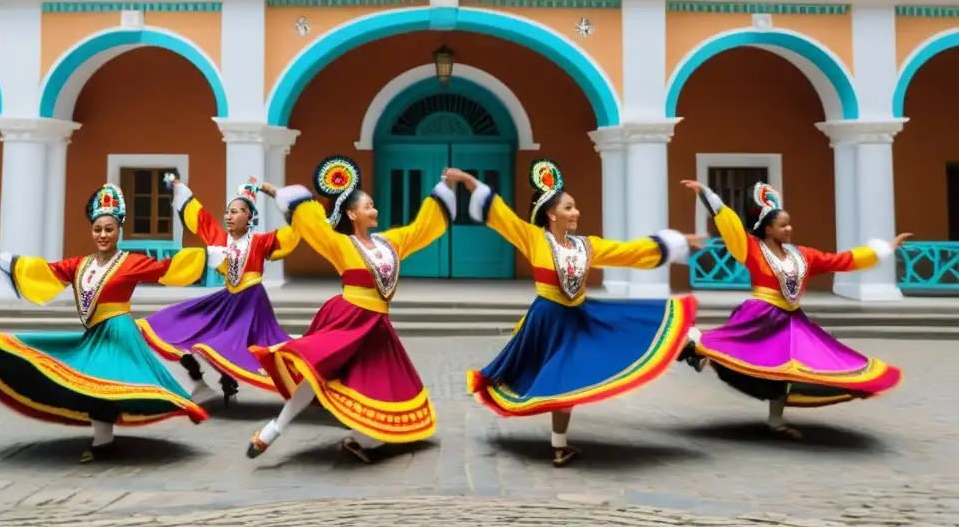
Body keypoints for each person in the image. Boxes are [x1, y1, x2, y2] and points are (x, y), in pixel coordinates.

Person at [448, 160, 703, 467]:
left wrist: (674, 244)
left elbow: (629, 251)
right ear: (551, 214)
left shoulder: (587, 246)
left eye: (575, 207)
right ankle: (559, 445)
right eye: (568, 208)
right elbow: (501, 215)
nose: (576, 213)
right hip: (547, 320)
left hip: (578, 317)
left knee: (619, 336)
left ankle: (683, 347)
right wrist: (469, 181)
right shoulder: (533, 238)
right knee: (554, 376)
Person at [0, 183, 221, 463]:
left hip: (118, 332)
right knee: (91, 383)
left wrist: (209, 257)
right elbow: (46, 271)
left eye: (109, 229)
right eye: (98, 230)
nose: (103, 235)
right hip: (94, 333)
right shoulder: (79, 265)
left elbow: (167, 268)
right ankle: (104, 439)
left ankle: (103, 441)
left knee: (103, 382)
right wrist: (3, 259)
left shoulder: (131, 262)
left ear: (119, 231)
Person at [246, 156, 456, 464]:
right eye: (368, 206)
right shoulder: (340, 244)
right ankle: (273, 430)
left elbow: (421, 228)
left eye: (373, 205)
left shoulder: (390, 243)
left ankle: (362, 438)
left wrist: (443, 190)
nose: (375, 210)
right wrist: (279, 193)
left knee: (372, 383)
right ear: (351, 213)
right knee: (315, 373)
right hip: (348, 318)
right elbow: (310, 221)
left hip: (376, 326)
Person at [679, 179, 907, 439]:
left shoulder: (804, 255)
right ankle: (697, 348)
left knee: (786, 371)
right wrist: (707, 195)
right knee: (732, 350)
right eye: (782, 225)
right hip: (760, 317)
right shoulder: (751, 249)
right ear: (768, 229)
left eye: (789, 223)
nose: (789, 228)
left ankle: (775, 420)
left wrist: (884, 249)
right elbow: (729, 225)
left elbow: (843, 260)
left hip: (790, 320)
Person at [137, 175, 300, 407]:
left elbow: (292, 234)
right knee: (170, 323)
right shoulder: (220, 239)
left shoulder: (261, 241)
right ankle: (203, 382)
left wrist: (278, 196)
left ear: (249, 216)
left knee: (233, 345)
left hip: (251, 303)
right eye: (228, 212)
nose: (229, 216)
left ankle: (230, 379)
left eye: (236, 211)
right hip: (228, 300)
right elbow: (201, 218)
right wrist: (178, 187)